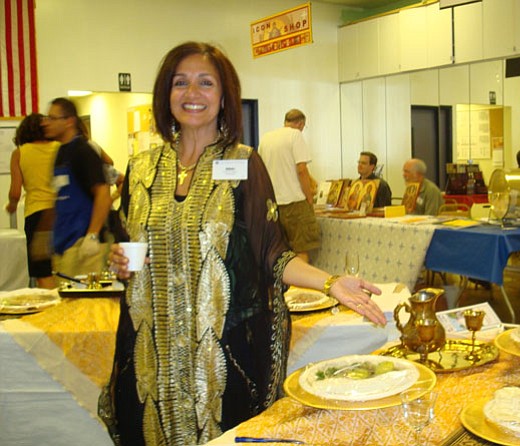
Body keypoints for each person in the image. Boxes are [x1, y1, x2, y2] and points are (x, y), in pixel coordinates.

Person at [98, 41, 386, 446]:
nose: (192, 93)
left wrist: (330, 282)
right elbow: (135, 245)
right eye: (180, 83)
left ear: (223, 96)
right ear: (166, 94)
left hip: (220, 356)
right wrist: (121, 261)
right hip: (153, 354)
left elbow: (272, 253)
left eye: (205, 83)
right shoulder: (142, 168)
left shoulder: (243, 162)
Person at [41, 98, 112, 280]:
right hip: (62, 244)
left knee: (85, 305)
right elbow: (58, 197)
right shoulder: (60, 152)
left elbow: (103, 193)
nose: (46, 123)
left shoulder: (83, 151)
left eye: (52, 118)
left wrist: (92, 235)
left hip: (82, 247)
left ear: (69, 121)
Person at [5, 113, 60, 288]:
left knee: (42, 270)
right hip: (62, 213)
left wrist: (12, 205)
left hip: (36, 215)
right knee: (62, 266)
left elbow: (15, 191)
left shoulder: (20, 153)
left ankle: (51, 310)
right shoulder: (59, 148)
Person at [258, 109, 320, 262]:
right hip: (295, 203)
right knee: (301, 250)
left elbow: (262, 170)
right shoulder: (295, 135)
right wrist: (309, 198)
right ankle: (299, 286)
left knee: (280, 252)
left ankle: (280, 286)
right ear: (300, 123)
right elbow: (301, 170)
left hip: (272, 204)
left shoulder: (266, 138)